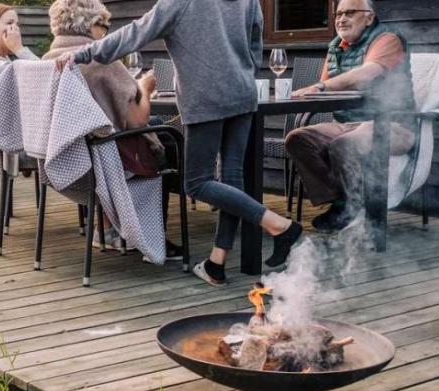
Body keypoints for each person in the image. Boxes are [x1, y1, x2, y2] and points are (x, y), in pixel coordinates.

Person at [54, 0, 302, 286]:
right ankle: (216, 264)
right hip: (243, 94)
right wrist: (245, 75)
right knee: (231, 178)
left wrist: (84, 53)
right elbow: (256, 43)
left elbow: (135, 33)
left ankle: (277, 224)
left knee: (197, 183)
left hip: (206, 99)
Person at [42, 0, 182, 260]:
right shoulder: (99, 58)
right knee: (168, 142)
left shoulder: (47, 61)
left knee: (153, 132)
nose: (105, 34)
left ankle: (105, 226)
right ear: (88, 25)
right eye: (103, 26)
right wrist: (146, 88)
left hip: (68, 161)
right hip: (105, 163)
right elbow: (137, 120)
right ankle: (150, 234)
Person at [285, 0, 416, 232]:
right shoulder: (336, 47)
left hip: (390, 124)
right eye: (338, 14)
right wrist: (319, 89)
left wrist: (320, 87)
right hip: (346, 122)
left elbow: (366, 74)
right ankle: (343, 203)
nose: (341, 19)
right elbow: (327, 85)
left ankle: (353, 208)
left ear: (369, 17)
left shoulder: (387, 39)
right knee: (298, 139)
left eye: (350, 12)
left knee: (344, 144)